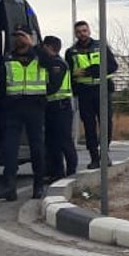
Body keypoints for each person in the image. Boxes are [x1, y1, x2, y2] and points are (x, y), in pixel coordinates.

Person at [0, 25, 52, 201]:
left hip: (34, 106)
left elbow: (51, 64)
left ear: (29, 37)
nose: (18, 39)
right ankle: (9, 186)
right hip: (13, 106)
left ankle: (39, 186)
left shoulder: (39, 55)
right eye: (16, 35)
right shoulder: (8, 57)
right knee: (9, 148)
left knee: (37, 148)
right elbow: (0, 74)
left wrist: (34, 46)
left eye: (22, 35)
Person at [65, 20, 118, 170]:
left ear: (89, 31)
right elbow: (66, 72)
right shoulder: (71, 52)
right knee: (89, 126)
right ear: (76, 34)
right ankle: (94, 157)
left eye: (84, 31)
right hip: (84, 91)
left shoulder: (100, 46)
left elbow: (113, 66)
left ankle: (104, 154)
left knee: (105, 123)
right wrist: (73, 74)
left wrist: (93, 70)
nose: (82, 34)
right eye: (79, 32)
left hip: (102, 90)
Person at [42, 35, 78, 182]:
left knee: (64, 141)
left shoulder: (57, 64)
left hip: (61, 107)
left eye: (44, 47)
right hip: (51, 107)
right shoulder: (49, 63)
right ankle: (56, 173)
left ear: (49, 47)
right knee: (52, 142)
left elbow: (53, 87)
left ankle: (71, 173)